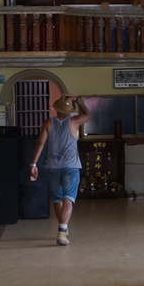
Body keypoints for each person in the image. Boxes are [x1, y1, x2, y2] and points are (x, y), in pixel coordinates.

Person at [30, 94, 88, 246]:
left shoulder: (48, 122)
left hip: (53, 167)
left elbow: (40, 143)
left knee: (57, 199)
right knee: (68, 198)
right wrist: (78, 101)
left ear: (56, 109)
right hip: (71, 166)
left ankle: (63, 229)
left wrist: (33, 164)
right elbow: (88, 114)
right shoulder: (74, 121)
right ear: (70, 110)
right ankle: (62, 232)